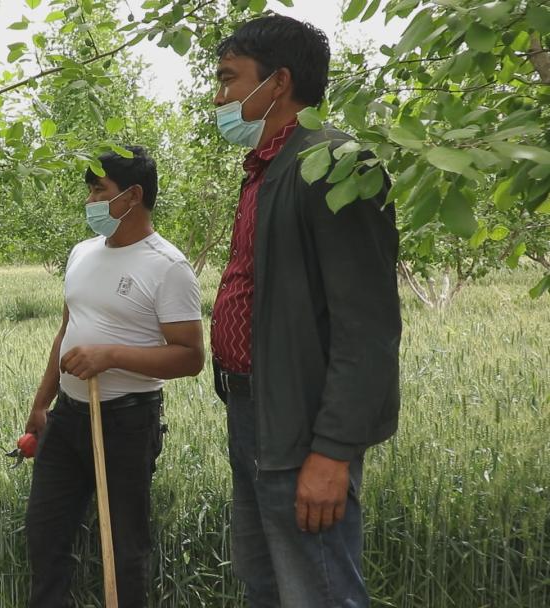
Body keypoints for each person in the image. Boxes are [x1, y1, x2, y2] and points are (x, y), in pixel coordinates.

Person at [209, 15, 402, 607]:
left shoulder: (334, 165)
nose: (218, 97)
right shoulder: (269, 168)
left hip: (301, 427)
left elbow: (366, 327)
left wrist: (333, 451)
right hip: (254, 410)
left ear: (279, 81)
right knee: (265, 581)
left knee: (316, 588)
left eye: (229, 78)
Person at [23, 146, 206, 608]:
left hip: (126, 423)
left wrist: (111, 356)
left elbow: (190, 357)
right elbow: (66, 330)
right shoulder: (81, 253)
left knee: (124, 548)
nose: (89, 200)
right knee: (45, 536)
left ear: (133, 195)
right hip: (67, 418)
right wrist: (41, 403)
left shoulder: (167, 266)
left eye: (98, 189)